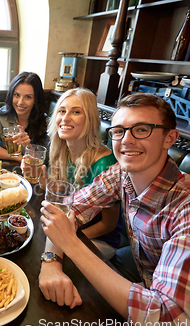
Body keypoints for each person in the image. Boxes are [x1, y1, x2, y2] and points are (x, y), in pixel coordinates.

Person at [40, 93, 190, 326]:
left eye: (141, 130)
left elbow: (170, 320)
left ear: (169, 137)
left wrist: (72, 245)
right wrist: (51, 263)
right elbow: (69, 210)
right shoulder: (121, 173)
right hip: (148, 296)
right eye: (119, 131)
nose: (127, 140)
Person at [31, 88, 122, 308]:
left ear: (90, 119)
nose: (65, 117)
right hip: (67, 229)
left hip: (97, 238)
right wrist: (42, 178)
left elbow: (109, 225)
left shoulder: (105, 163)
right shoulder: (61, 149)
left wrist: (70, 240)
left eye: (76, 112)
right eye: (61, 111)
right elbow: (60, 200)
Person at [0, 71, 48, 163]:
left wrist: (28, 145)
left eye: (28, 97)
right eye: (17, 95)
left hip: (32, 174)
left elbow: (44, 161)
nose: (20, 102)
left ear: (36, 100)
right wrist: (17, 157)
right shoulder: (4, 116)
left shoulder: (46, 123)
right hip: (7, 172)